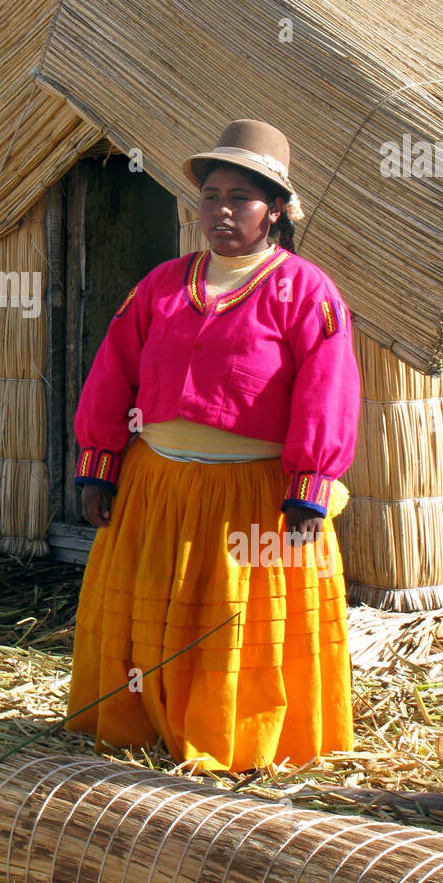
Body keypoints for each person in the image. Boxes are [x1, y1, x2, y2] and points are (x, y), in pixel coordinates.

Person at [66, 119, 360, 773]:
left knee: (232, 624)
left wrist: (309, 488)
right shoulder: (161, 287)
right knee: (150, 617)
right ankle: (142, 724)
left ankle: (236, 737)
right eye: (211, 196)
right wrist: (99, 467)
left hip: (249, 501)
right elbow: (113, 372)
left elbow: (327, 389)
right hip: (157, 488)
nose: (221, 210)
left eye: (240, 198)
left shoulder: (306, 293)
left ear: (275, 210)